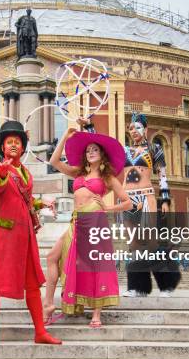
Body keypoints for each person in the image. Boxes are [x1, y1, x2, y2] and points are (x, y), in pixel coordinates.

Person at [0, 120, 62, 346]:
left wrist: (42, 204)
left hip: (25, 238)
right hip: (4, 237)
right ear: (3, 147)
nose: (13, 145)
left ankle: (40, 332)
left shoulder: (26, 174)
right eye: (9, 142)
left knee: (33, 287)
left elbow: (25, 202)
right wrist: (2, 173)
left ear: (23, 148)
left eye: (17, 142)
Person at [43, 127, 135, 328]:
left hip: (95, 222)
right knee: (52, 257)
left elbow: (128, 203)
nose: (90, 152)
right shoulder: (78, 172)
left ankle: (96, 314)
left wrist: (108, 207)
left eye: (94, 149)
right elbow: (54, 162)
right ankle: (48, 304)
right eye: (88, 150)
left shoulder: (107, 178)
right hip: (76, 222)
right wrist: (65, 137)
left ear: (102, 154)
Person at [121, 113, 181, 298]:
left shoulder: (155, 149)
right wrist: (90, 126)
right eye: (130, 128)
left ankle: (167, 285)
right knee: (133, 244)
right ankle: (138, 287)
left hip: (146, 197)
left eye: (137, 127)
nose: (133, 131)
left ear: (145, 129)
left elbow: (162, 176)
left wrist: (165, 200)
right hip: (127, 200)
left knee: (151, 243)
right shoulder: (124, 150)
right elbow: (102, 149)